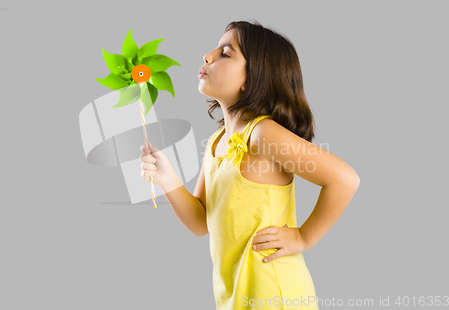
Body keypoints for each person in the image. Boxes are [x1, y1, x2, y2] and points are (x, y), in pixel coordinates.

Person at [140, 20, 360, 309]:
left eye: (225, 53)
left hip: (274, 295)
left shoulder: (261, 134)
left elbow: (345, 179)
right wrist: (168, 179)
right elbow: (199, 222)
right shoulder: (218, 140)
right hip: (235, 298)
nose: (208, 55)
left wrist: (304, 237)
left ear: (253, 79)